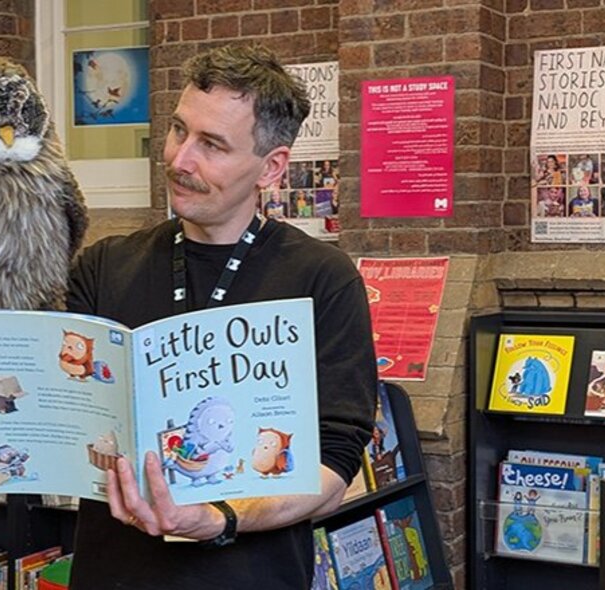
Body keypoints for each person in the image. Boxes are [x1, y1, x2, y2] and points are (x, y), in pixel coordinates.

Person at [66, 44, 377, 590]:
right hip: (111, 573)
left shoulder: (322, 280)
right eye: (179, 131)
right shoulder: (104, 264)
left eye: (211, 145)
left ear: (271, 167)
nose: (180, 160)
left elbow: (334, 464)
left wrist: (220, 519)